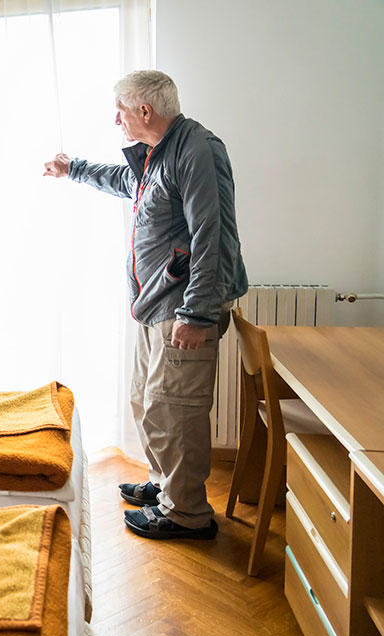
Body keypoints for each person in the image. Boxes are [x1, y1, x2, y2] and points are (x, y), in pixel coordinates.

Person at [44, 70, 248, 540]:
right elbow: (125, 181)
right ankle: (165, 486)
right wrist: (72, 168)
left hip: (183, 308)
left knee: (175, 410)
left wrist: (197, 314)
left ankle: (187, 514)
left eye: (120, 109)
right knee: (147, 401)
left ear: (144, 111)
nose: (115, 119)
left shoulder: (196, 147)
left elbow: (210, 234)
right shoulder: (159, 154)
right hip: (155, 302)